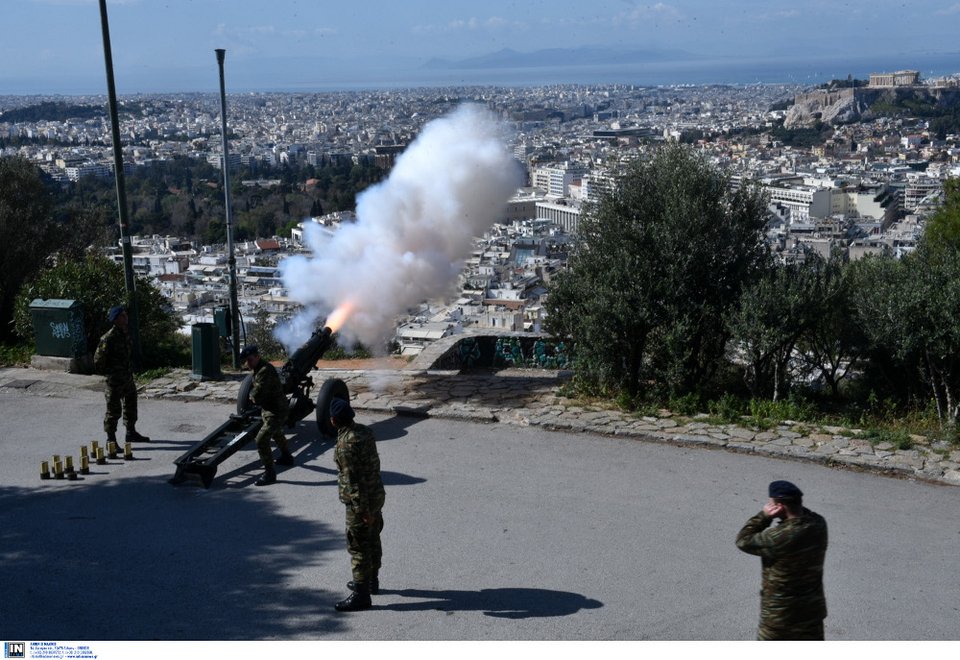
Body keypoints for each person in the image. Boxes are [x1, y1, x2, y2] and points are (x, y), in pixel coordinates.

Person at [735, 480, 828, 640]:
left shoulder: (779, 537)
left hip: (780, 617)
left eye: (771, 503)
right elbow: (803, 514)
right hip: (811, 613)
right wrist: (791, 507)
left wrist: (764, 516)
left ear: (780, 507)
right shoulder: (819, 524)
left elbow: (743, 540)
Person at [330, 397, 385, 612]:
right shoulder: (365, 432)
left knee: (358, 544)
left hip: (361, 501)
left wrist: (361, 510)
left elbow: (353, 480)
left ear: (334, 420)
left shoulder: (345, 444)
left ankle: (361, 595)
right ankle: (372, 581)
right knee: (373, 538)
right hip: (376, 494)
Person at [94, 305, 149, 446]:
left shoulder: (125, 334)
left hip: (127, 378)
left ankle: (131, 433)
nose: (126, 318)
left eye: (126, 315)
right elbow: (98, 361)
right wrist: (111, 373)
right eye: (123, 316)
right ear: (116, 319)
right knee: (113, 411)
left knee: (131, 405)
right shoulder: (108, 338)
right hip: (115, 380)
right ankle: (111, 440)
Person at [239, 344, 294, 486]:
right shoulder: (258, 369)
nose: (247, 363)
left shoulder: (264, 371)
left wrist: (253, 396)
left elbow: (256, 396)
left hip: (277, 411)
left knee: (261, 440)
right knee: (276, 433)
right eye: (246, 360)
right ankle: (287, 457)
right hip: (270, 409)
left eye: (250, 359)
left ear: (258, 357)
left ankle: (270, 474)